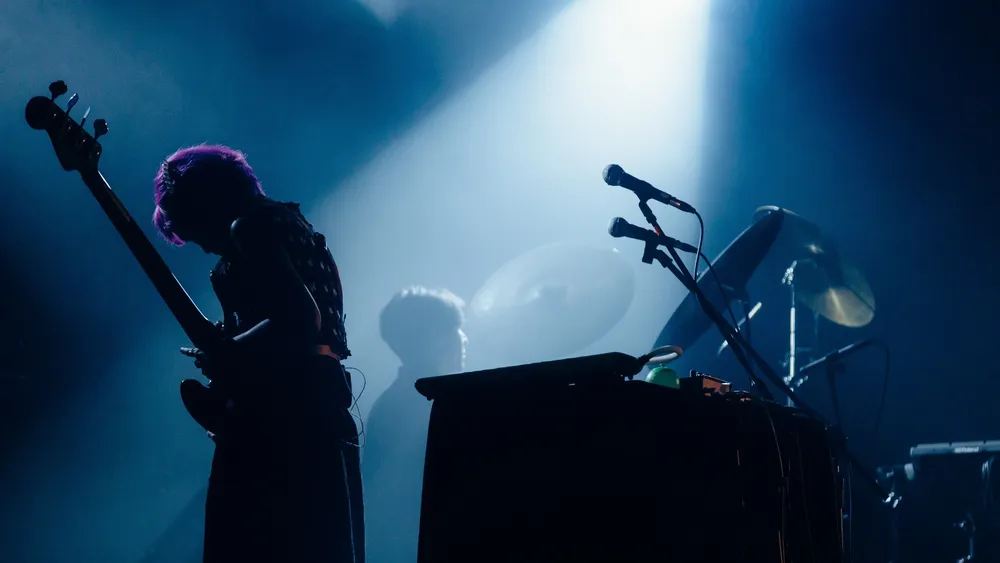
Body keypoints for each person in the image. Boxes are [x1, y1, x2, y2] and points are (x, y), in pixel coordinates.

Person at [152, 144, 364, 563]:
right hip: (320, 405)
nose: (201, 245)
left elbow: (300, 317)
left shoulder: (249, 228)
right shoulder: (289, 222)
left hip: (283, 420)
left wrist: (229, 352)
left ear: (204, 202)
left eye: (193, 227)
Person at [363, 287, 467, 563]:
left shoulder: (391, 404)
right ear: (434, 339)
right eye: (454, 328)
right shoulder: (419, 407)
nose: (463, 338)